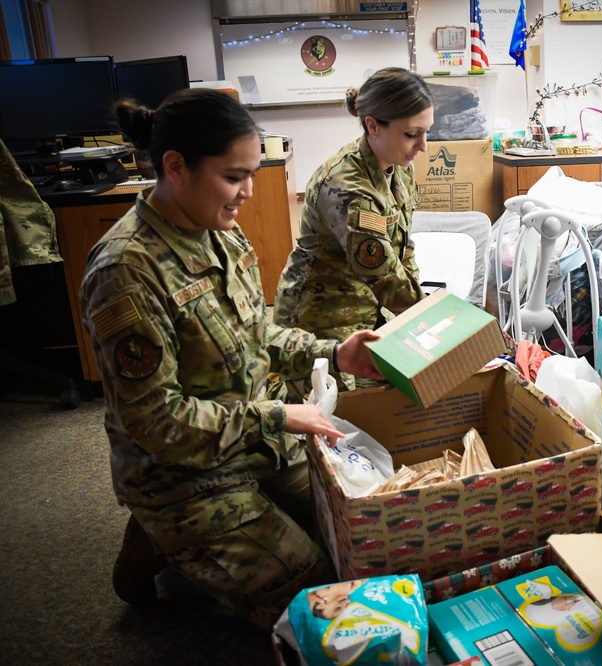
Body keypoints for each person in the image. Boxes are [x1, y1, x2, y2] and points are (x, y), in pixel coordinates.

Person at [79, 88, 383, 630]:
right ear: (175, 166)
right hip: (178, 471)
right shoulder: (126, 271)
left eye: (252, 173)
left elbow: (255, 332)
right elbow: (156, 421)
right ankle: (158, 529)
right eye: (234, 175)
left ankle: (174, 539)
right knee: (312, 589)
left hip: (253, 440)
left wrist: (335, 353)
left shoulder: (220, 230)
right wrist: (279, 416)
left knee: (362, 532)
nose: (248, 191)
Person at [272, 67, 434, 392]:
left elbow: (403, 248)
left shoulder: (399, 169)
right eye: (412, 134)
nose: (423, 146)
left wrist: (426, 308)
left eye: (427, 131)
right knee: (331, 425)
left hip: (367, 312)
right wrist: (438, 321)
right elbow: (385, 276)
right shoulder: (346, 187)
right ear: (373, 126)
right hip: (321, 323)